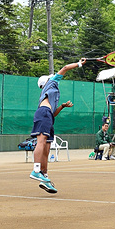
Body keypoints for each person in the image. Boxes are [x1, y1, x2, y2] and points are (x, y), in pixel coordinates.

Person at [30, 58, 85, 193]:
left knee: (47, 147)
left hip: (48, 115)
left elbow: (53, 114)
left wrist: (62, 106)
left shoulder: (50, 94)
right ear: (47, 81)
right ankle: (36, 170)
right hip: (43, 114)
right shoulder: (52, 83)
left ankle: (45, 177)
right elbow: (65, 67)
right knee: (41, 142)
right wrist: (79, 63)